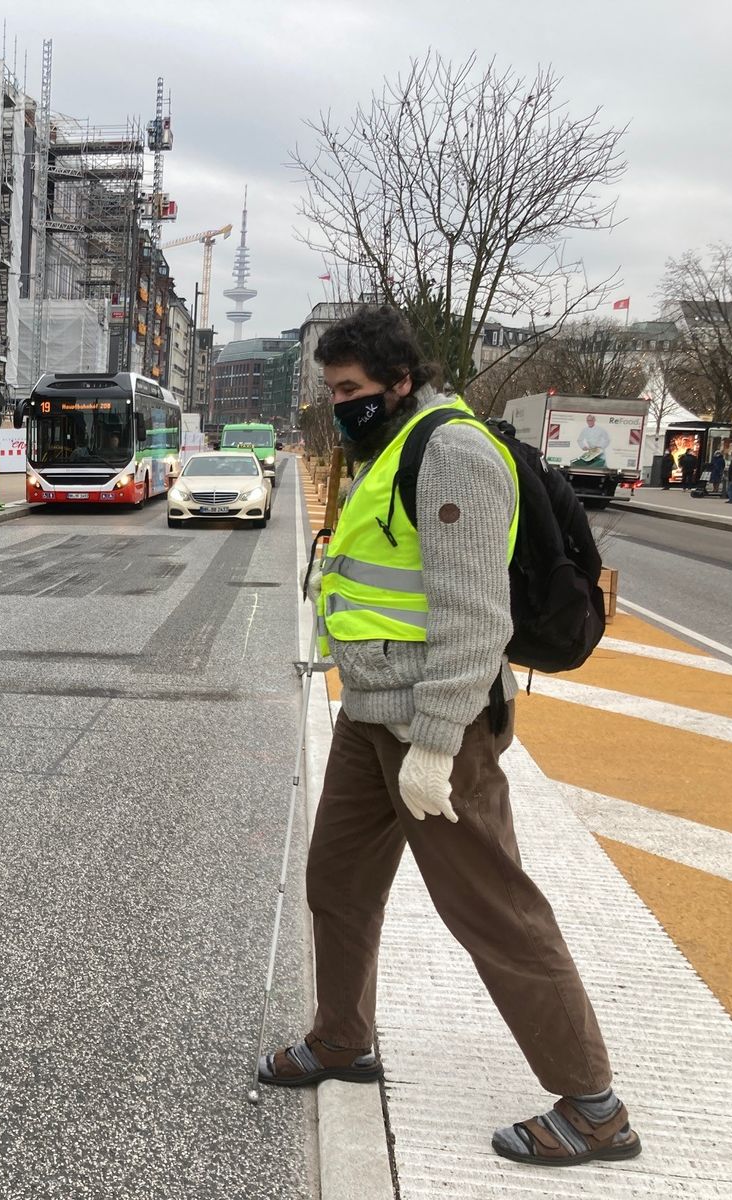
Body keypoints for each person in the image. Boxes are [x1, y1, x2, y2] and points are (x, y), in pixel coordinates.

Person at [260, 305, 639, 1169]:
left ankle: (595, 1105)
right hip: (372, 711)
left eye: (351, 390)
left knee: (491, 906)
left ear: (399, 382)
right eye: (331, 390)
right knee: (337, 882)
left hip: (440, 722)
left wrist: (434, 744)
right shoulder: (388, 448)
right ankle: (342, 1041)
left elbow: (474, 619)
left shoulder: (450, 451)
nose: (340, 405)